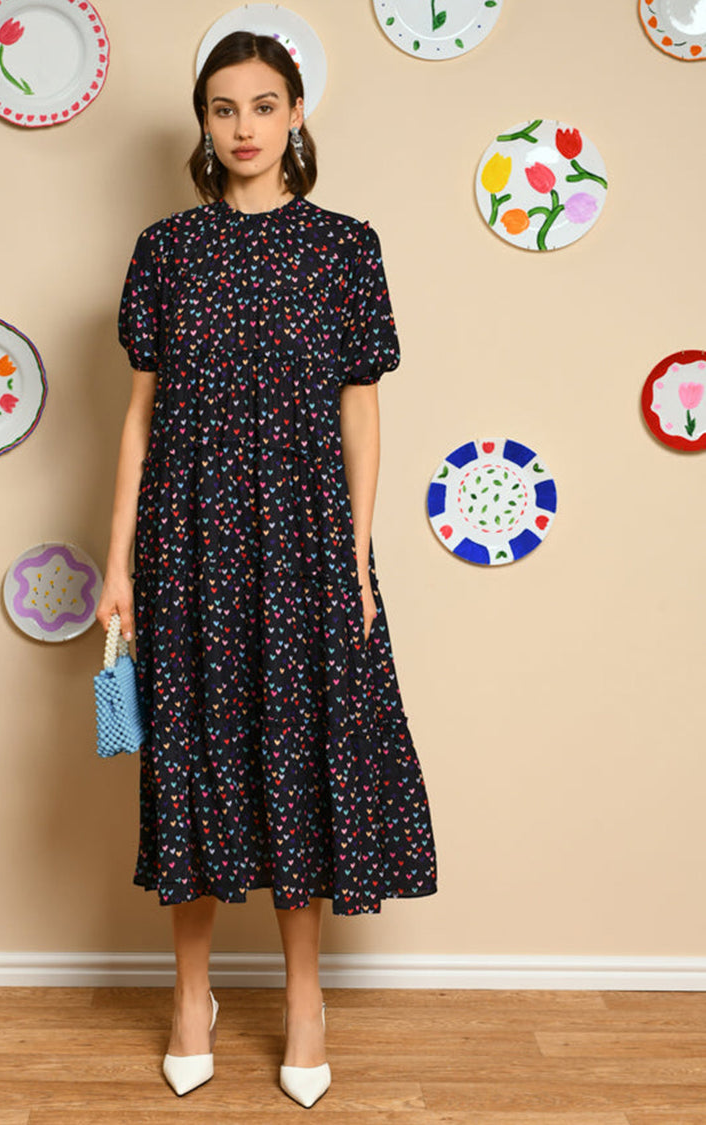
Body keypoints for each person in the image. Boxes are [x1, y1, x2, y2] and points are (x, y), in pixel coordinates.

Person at [96, 30, 437, 1108]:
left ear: (296, 114)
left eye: (263, 104)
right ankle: (190, 993)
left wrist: (356, 558)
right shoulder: (166, 250)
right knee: (188, 759)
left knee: (303, 761)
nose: (243, 126)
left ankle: (304, 999)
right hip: (187, 538)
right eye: (223, 107)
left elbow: (361, 411)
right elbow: (139, 421)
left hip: (304, 540)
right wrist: (117, 562)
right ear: (203, 123)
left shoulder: (345, 249)